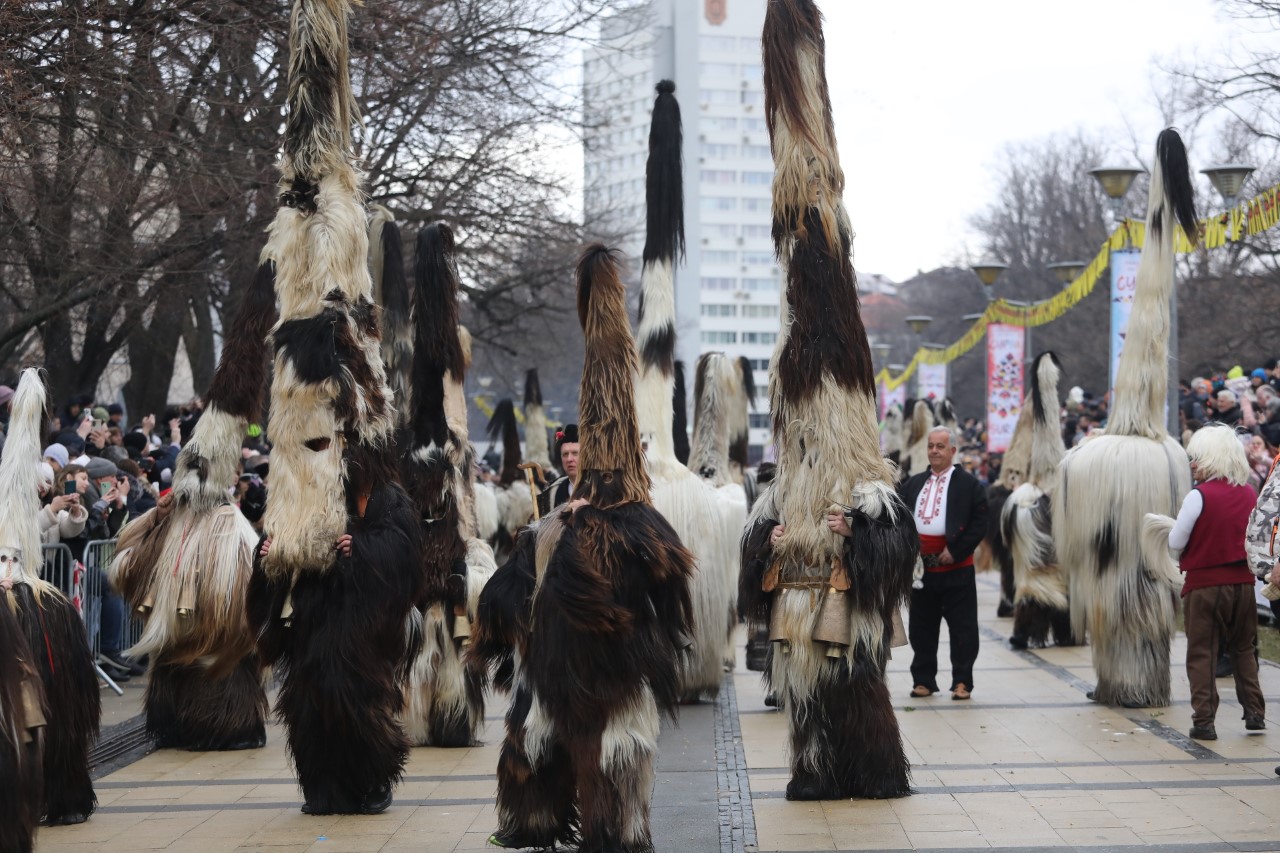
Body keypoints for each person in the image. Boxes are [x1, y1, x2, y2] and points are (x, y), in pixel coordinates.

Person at [1158, 424, 1265, 740]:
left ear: (1213, 459)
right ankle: (1256, 713)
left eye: (1197, 458)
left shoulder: (1198, 495)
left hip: (1204, 586)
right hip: (1244, 586)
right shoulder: (1249, 493)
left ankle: (1204, 721)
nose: (1192, 465)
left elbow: (1176, 541)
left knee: (1202, 651)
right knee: (1244, 648)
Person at [900, 427, 989, 700]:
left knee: (963, 628)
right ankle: (923, 680)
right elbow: (900, 520)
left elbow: (980, 522)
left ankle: (962, 681)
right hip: (921, 571)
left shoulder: (969, 484)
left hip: (956, 569)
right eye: (931, 446)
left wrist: (957, 549)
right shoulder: (913, 484)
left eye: (940, 446)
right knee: (921, 627)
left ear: (953, 450)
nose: (934, 451)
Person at [535, 424, 578, 516]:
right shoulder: (552, 492)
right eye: (565, 454)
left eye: (575, 453)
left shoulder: (599, 489)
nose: (569, 459)